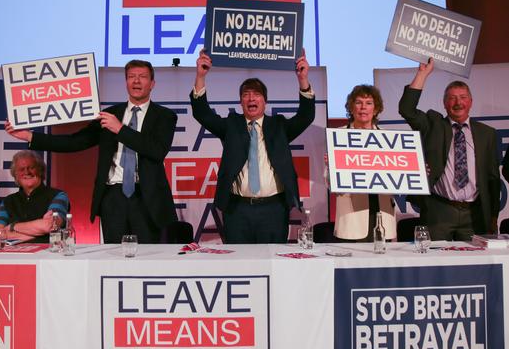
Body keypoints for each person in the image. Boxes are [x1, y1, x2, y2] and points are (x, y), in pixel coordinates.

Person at [5, 60, 177, 244]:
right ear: (126, 82)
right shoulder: (110, 115)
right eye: (131, 77)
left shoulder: (165, 116)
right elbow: (74, 142)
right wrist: (30, 136)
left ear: (152, 84)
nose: (136, 81)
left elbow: (157, 150)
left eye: (142, 77)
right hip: (113, 197)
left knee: (148, 258)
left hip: (147, 198)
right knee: (113, 258)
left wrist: (120, 129)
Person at [191, 49, 315, 243]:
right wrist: (200, 76)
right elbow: (202, 114)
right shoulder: (231, 125)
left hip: (274, 209)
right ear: (240, 101)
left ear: (265, 101)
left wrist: (303, 80)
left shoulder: (279, 126)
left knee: (272, 264)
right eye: (246, 95)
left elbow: (306, 116)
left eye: (256, 94)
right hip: (237, 210)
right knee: (239, 265)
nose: (251, 99)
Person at [398, 58, 500, 240]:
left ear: (471, 102)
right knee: (435, 265)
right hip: (439, 212)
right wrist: (422, 74)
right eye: (452, 98)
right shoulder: (433, 124)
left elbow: (493, 178)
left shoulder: (487, 134)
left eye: (462, 98)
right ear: (444, 103)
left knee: (474, 266)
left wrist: (493, 216)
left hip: (474, 215)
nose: (458, 102)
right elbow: (407, 109)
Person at [328, 85, 396, 241]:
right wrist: (332, 168)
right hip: (352, 217)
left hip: (382, 210)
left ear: (376, 109)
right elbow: (330, 184)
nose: (363, 107)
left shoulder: (390, 139)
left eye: (369, 103)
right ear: (351, 108)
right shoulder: (339, 136)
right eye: (358, 102)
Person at [0, 150, 69, 243]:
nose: (27, 172)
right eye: (21, 169)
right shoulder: (8, 201)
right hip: (14, 256)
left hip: (48, 254)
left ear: (41, 170)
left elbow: (50, 225)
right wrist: (36, 234)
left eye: (31, 167)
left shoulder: (58, 196)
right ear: (15, 175)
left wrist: (12, 227)